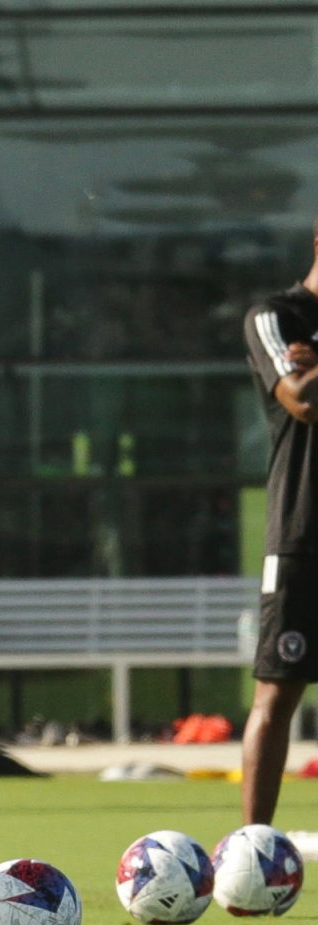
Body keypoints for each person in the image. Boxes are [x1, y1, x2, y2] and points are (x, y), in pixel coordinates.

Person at [241, 223, 318, 825]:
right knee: (278, 692)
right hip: (303, 535)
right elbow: (302, 397)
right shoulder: (275, 316)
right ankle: (254, 848)